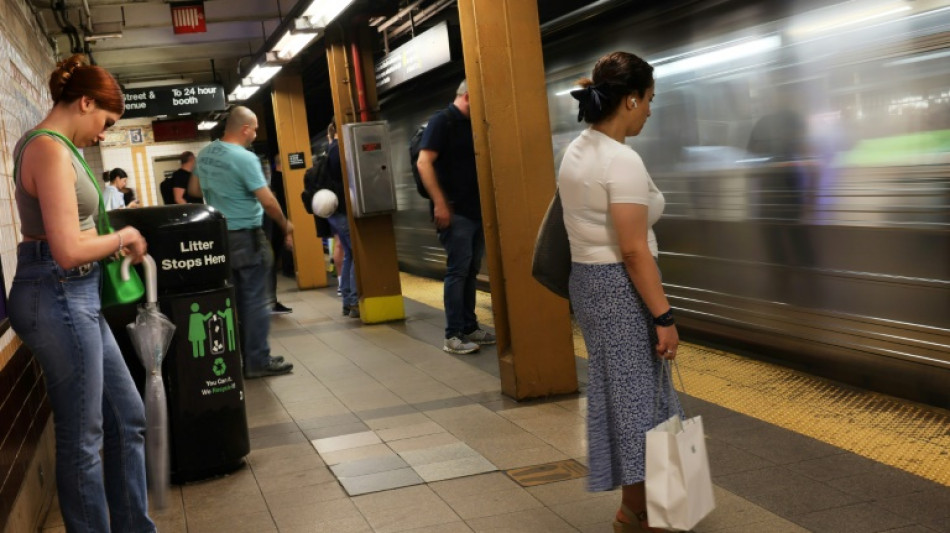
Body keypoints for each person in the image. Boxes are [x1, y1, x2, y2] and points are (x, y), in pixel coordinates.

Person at [8, 53, 155, 532]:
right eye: (107, 122)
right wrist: (123, 236)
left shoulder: (61, 148)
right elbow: (68, 250)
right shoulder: (47, 149)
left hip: (75, 293)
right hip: (56, 291)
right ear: (86, 102)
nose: (105, 134)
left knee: (127, 416)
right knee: (84, 436)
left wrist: (107, 244)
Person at [560, 51, 682, 533]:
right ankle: (640, 514)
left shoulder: (578, 148)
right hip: (620, 289)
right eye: (649, 99)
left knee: (630, 400)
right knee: (640, 406)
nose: (650, 110)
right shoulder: (621, 160)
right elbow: (633, 251)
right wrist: (664, 317)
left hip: (590, 284)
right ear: (630, 99)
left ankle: (639, 509)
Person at [190, 106, 295, 378]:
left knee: (233, 301)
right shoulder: (245, 158)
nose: (256, 134)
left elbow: (194, 190)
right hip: (246, 237)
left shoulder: (206, 153)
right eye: (255, 129)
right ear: (245, 129)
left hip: (219, 238)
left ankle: (242, 358)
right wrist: (285, 225)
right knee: (255, 301)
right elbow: (268, 201)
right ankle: (257, 361)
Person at [416, 80, 496, 354]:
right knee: (458, 271)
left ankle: (469, 327)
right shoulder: (443, 121)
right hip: (454, 211)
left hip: (474, 210)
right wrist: (440, 203)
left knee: (470, 271)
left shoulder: (470, 124)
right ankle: (452, 335)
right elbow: (424, 162)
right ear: (469, 96)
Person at [324, 120, 360, 318]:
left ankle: (347, 301)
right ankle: (354, 302)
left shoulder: (330, 150)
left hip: (334, 212)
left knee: (349, 254)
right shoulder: (338, 150)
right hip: (343, 211)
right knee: (355, 254)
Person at [264, 156, 292, 314]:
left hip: (270, 222)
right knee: (269, 262)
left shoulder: (274, 178)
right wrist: (284, 223)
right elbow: (271, 202)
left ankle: (269, 302)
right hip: (271, 222)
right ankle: (270, 303)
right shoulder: (276, 178)